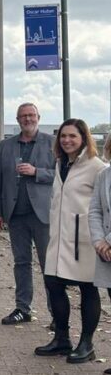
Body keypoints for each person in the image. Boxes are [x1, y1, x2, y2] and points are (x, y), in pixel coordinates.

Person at [34, 119, 105, 363]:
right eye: (63, 136)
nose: (67, 140)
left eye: (73, 136)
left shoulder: (96, 167)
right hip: (59, 238)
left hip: (84, 240)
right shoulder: (60, 164)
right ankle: (62, 339)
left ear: (84, 138)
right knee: (53, 283)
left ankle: (87, 344)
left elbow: (104, 205)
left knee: (88, 288)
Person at [0, 102, 56, 325]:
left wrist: (37, 172)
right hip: (16, 215)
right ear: (18, 120)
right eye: (23, 116)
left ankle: (57, 313)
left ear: (38, 117)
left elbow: (62, 175)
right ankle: (22, 308)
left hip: (43, 215)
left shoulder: (52, 143)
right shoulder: (6, 146)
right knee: (21, 263)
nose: (28, 119)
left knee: (49, 265)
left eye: (31, 115)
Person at [88, 135, 111, 374]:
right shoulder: (104, 174)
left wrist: (109, 240)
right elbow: (94, 209)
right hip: (106, 251)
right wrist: (98, 240)